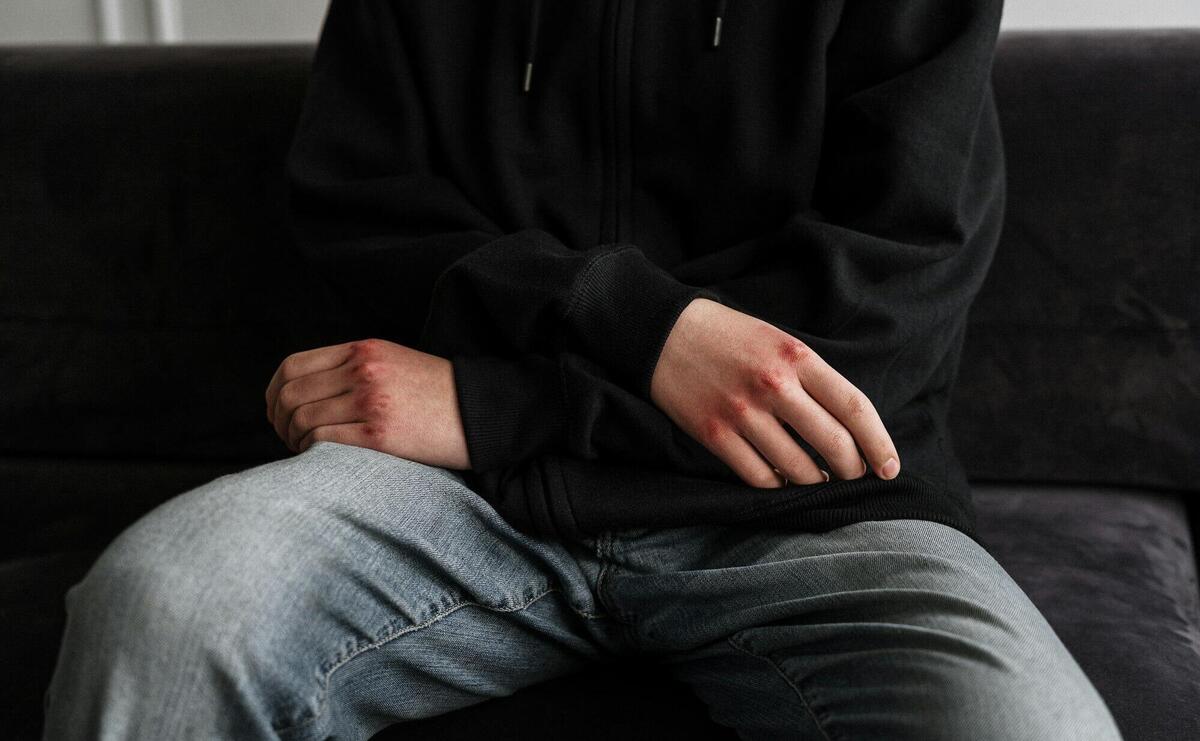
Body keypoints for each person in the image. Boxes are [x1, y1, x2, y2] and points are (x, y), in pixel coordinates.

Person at [43, 1, 1124, 738]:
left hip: (810, 512)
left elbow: (883, 317)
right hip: (457, 501)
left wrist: (498, 404)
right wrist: (649, 333)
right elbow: (362, 220)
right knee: (160, 605)